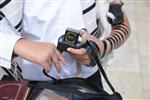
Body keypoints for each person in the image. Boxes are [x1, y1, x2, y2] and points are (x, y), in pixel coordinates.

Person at [0, 0, 130, 96]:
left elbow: (122, 24)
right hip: (26, 86)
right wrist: (17, 45)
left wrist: (102, 48)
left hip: (87, 83)